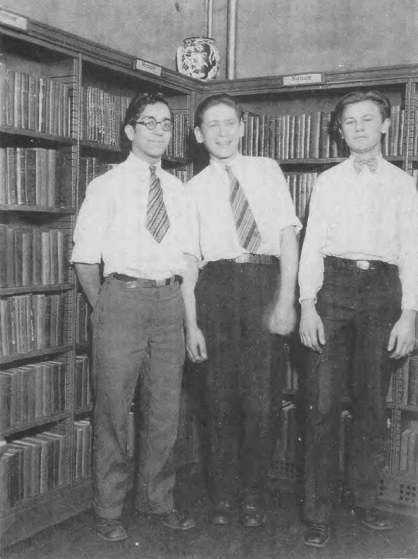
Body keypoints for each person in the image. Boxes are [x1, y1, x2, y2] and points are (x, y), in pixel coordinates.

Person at [71, 92, 195, 542]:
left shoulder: (179, 190)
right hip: (120, 299)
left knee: (164, 409)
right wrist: (105, 305)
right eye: (149, 122)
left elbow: (185, 254)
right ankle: (108, 508)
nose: (159, 131)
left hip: (169, 302)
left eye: (165, 124)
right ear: (130, 131)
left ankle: (157, 500)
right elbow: (86, 260)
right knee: (113, 410)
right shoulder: (105, 186)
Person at [299, 90, 418, 548]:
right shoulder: (327, 181)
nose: (360, 128)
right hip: (334, 286)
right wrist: (308, 303)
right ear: (340, 130)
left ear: (385, 126)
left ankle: (364, 500)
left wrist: (409, 314)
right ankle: (317, 512)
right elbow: (312, 246)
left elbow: (412, 251)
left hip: (383, 292)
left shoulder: (403, 184)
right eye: (350, 122)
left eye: (369, 120)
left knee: (371, 404)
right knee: (322, 404)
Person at [182, 93, 301, 527]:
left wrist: (286, 301)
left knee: (262, 398)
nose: (222, 132)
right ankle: (223, 495)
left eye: (229, 122)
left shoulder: (266, 170)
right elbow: (189, 262)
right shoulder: (191, 189)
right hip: (215, 288)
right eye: (212, 125)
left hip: (263, 284)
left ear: (243, 127)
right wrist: (191, 322)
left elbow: (288, 238)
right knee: (217, 398)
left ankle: (253, 493)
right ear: (198, 135)